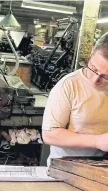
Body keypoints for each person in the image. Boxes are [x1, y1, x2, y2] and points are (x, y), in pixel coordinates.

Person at [42, 32, 108, 166]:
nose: (96, 80)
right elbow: (49, 134)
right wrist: (97, 141)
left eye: (106, 76)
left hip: (102, 165)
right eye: (93, 69)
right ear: (91, 52)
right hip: (67, 167)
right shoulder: (68, 85)